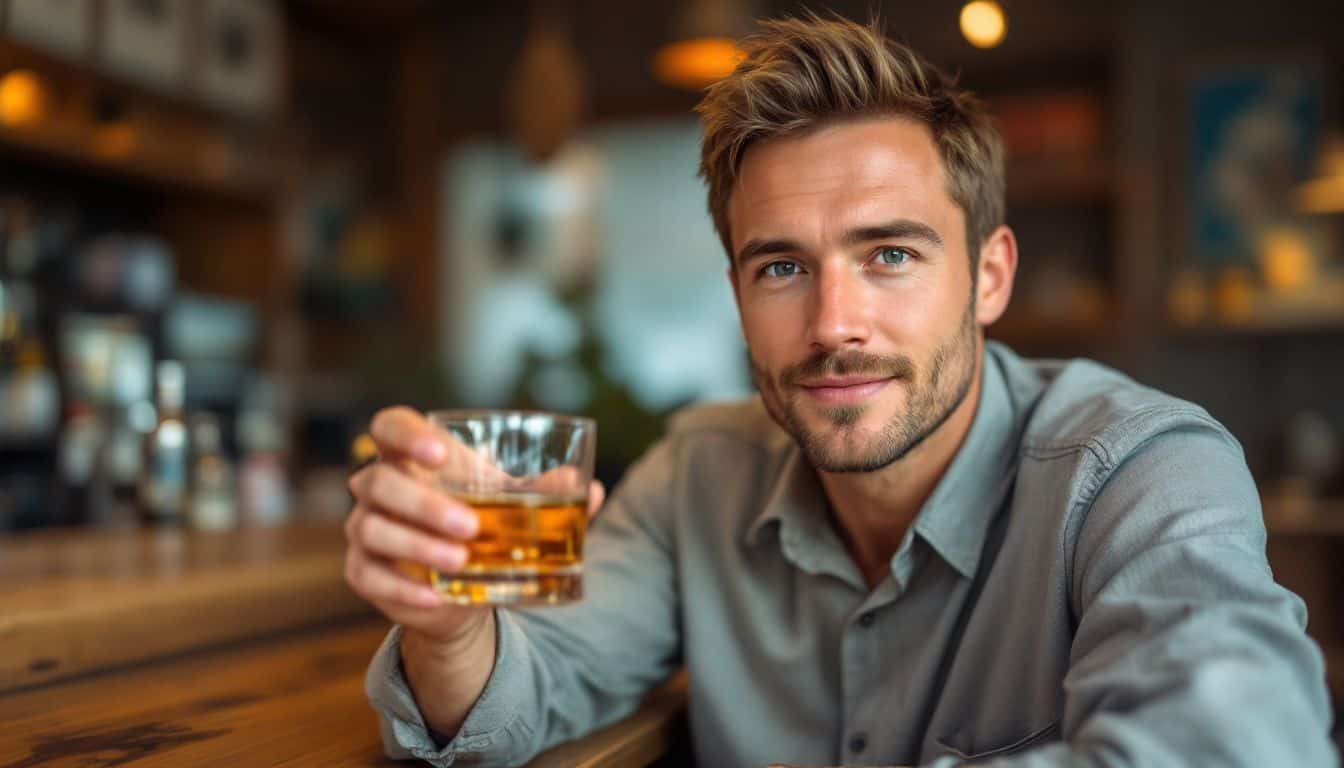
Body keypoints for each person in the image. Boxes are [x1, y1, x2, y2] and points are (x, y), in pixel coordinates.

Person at [346, 15, 1337, 768]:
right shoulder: (697, 475)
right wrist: (452, 628)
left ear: (990, 276)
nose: (832, 324)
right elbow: (530, 687)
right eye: (781, 268)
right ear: (738, 295)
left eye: (891, 254)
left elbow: (1244, 745)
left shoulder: (1139, 470)